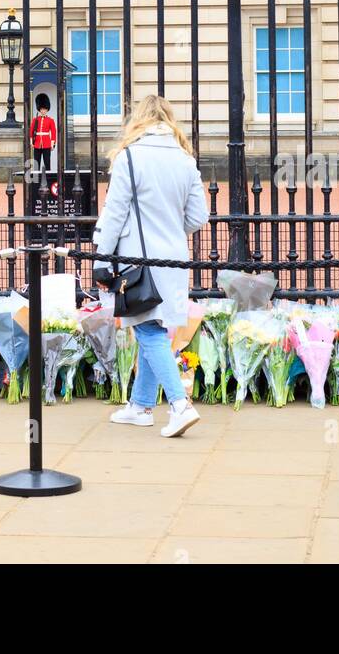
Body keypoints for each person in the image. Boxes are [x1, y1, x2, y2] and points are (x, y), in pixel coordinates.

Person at [93, 94, 208, 437]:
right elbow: (198, 217)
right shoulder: (186, 160)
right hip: (172, 257)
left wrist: (102, 258)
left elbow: (114, 213)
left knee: (146, 329)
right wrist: (172, 230)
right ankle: (141, 406)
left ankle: (179, 405)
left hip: (137, 259)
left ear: (139, 120)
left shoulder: (130, 156)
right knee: (152, 327)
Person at [29, 92, 57, 175]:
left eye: (44, 109)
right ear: (39, 109)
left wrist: (52, 144)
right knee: (36, 163)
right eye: (41, 109)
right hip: (37, 143)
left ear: (47, 109)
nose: (43, 111)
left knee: (47, 162)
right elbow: (31, 131)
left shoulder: (50, 120)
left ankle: (48, 178)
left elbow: (53, 133)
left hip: (46, 144)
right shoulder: (35, 120)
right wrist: (32, 142)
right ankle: (36, 178)